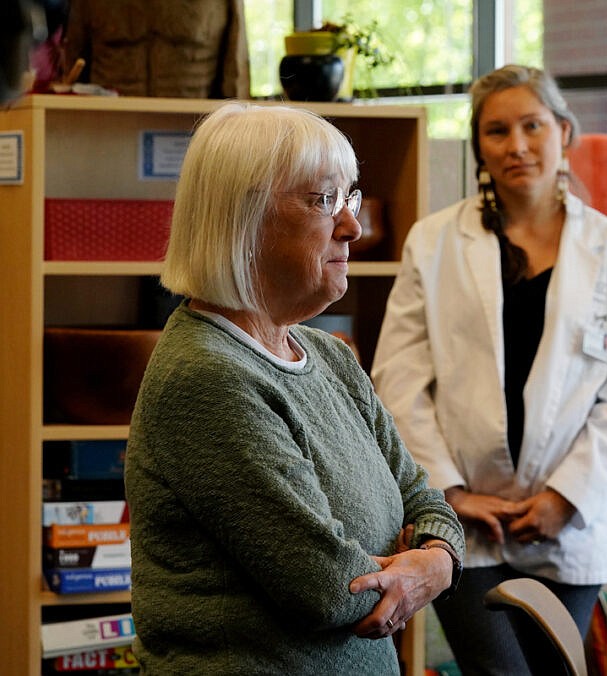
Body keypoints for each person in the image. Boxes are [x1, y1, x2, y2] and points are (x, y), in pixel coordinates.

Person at [124, 101, 465, 675]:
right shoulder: (207, 375)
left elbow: (427, 502)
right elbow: (329, 588)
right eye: (323, 199)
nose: (353, 225)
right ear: (244, 217)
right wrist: (422, 569)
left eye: (349, 197)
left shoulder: (330, 355)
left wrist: (437, 561)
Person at [371, 64, 607, 674]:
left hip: (570, 520)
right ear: (479, 147)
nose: (518, 145)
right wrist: (448, 491)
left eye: (533, 126)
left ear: (564, 133)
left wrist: (564, 496)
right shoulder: (434, 242)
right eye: (497, 131)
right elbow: (398, 379)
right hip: (468, 524)